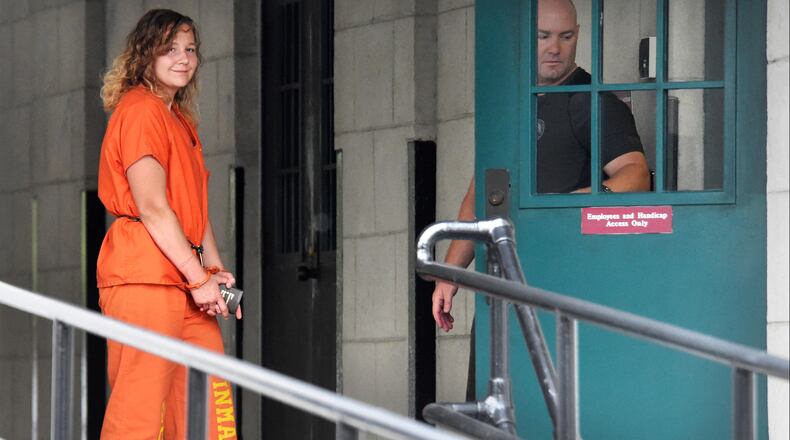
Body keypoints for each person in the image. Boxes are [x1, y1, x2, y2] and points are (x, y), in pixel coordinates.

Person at [432, 0, 650, 332]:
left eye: (565, 36)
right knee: (494, 381)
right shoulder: (509, 105)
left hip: (565, 280)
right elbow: (481, 192)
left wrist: (565, 206)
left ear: (578, 35)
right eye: (543, 36)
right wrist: (450, 275)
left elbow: (636, 175)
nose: (554, 48)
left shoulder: (591, 101)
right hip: (502, 278)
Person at [96, 9, 239, 439]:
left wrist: (214, 272)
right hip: (145, 277)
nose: (183, 58)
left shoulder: (179, 119)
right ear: (145, 56)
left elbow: (195, 208)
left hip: (186, 277)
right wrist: (199, 278)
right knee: (141, 411)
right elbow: (153, 207)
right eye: (170, 49)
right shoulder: (140, 110)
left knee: (212, 408)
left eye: (190, 49)